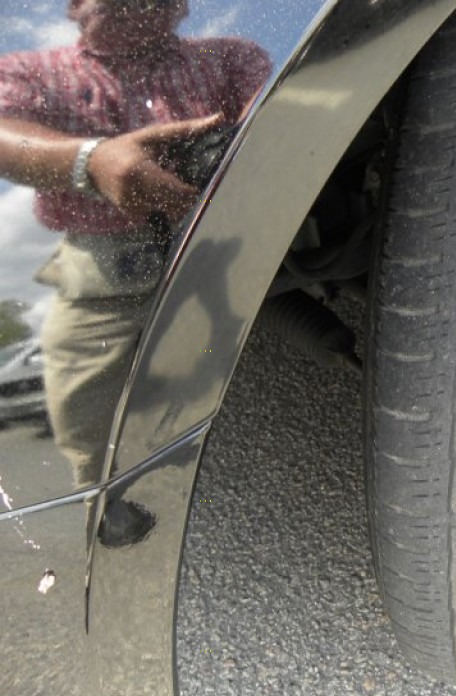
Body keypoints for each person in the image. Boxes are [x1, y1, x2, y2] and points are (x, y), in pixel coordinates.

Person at [0, 0, 271, 498]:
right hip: (102, 275)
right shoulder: (30, 70)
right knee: (91, 422)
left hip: (232, 244)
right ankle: (111, 510)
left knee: (260, 391)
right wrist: (89, 159)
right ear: (73, 7)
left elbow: (281, 122)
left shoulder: (231, 55)